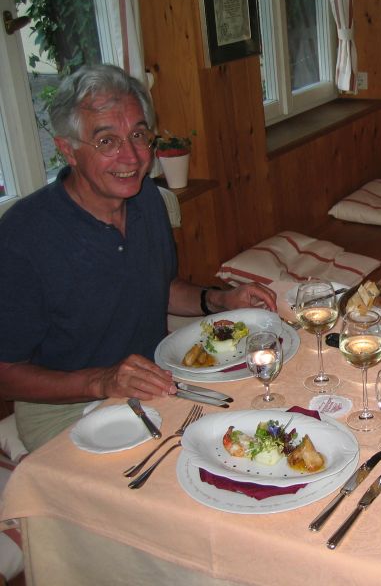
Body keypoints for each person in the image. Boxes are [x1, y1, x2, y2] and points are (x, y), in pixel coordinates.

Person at [0, 64, 277, 452]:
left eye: (138, 135)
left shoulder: (146, 199)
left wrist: (220, 299)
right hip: (66, 408)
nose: (130, 156)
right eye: (106, 142)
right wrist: (102, 381)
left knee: (260, 419)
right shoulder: (23, 237)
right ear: (68, 150)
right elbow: (6, 372)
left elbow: (157, 287)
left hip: (153, 381)